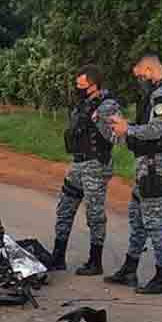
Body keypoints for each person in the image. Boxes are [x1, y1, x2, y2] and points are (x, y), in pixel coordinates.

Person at [107, 53, 162, 294]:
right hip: (148, 163)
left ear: (150, 68)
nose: (141, 79)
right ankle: (130, 268)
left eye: (141, 75)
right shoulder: (160, 90)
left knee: (154, 220)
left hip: (156, 164)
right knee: (137, 215)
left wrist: (127, 129)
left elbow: (155, 130)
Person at [47, 65, 120, 275]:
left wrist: (99, 120)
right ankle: (58, 257)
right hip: (78, 164)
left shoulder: (107, 106)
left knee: (94, 213)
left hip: (96, 165)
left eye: (81, 85)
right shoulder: (83, 104)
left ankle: (95, 262)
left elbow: (115, 136)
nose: (77, 88)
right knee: (65, 208)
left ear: (93, 85)